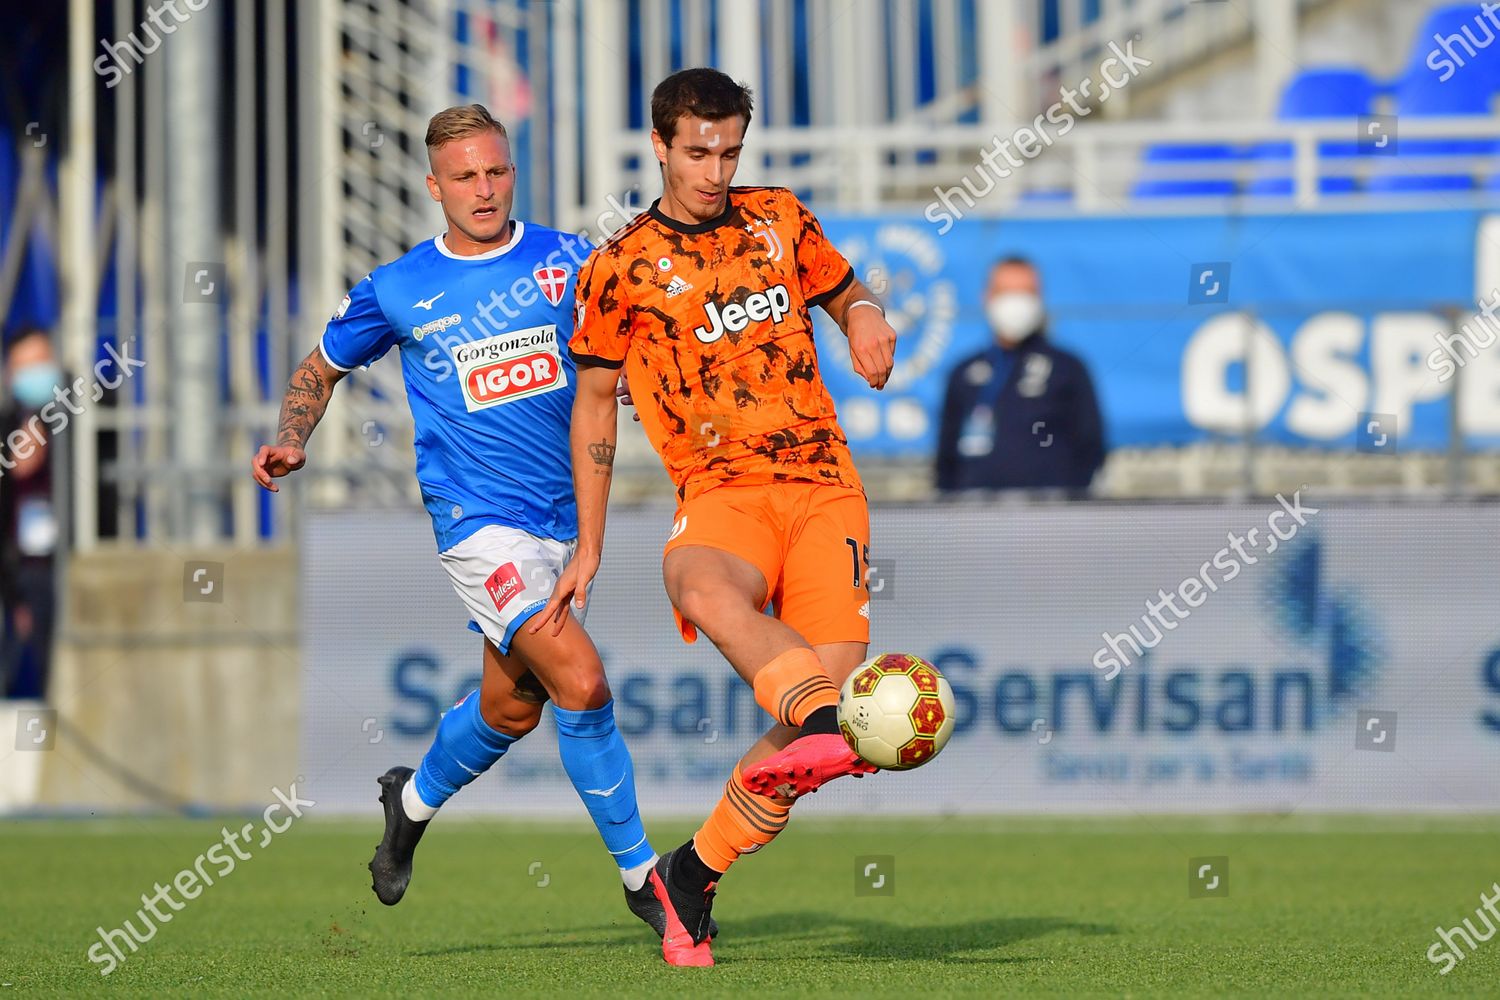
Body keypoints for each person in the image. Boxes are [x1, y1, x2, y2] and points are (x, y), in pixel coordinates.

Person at [250, 104, 690, 941]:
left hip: (566, 518)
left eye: (496, 172)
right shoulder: (399, 287)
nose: (483, 191)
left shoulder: (572, 262)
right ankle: (646, 879)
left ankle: (407, 806)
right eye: (465, 177)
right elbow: (321, 365)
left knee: (513, 708)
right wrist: (290, 438)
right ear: (434, 186)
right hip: (478, 522)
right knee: (584, 686)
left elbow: (623, 368)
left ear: (512, 172)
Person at [536, 67, 898, 967]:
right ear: (660, 145)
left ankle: (690, 876)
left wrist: (863, 317)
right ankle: (818, 724)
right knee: (701, 584)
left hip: (826, 487)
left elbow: (846, 289)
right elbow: (592, 408)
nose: (716, 170)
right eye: (698, 152)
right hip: (722, 491)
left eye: (730, 150)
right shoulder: (618, 267)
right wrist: (589, 544)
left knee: (816, 726)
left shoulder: (779, 217)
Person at [935, 256, 1105, 495]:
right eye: (1006, 292)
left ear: (1039, 299)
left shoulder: (1068, 369)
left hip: (1051, 517)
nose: (1015, 303)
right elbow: (945, 461)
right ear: (987, 297)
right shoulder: (963, 373)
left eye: (1025, 293)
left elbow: (1090, 447)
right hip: (974, 518)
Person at [0, 326, 64, 699]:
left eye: (41, 363)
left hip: (68, 564)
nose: (34, 374)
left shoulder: (76, 423)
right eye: (24, 366)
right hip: (25, 572)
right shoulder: (8, 426)